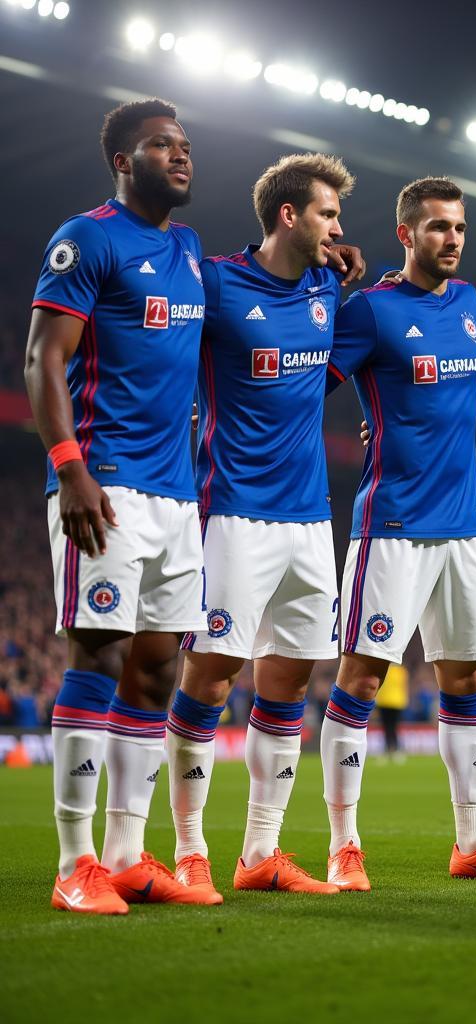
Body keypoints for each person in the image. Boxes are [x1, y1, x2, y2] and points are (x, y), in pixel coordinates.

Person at [321, 178, 476, 883]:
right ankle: (342, 845)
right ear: (406, 235)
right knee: (362, 676)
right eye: (437, 228)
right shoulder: (370, 311)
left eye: (458, 228)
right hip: (390, 525)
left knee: (468, 678)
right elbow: (306, 386)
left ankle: (473, 840)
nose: (451, 239)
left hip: (464, 530)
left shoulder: (470, 308)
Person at [25, 98, 214, 912]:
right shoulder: (88, 238)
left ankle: (131, 855)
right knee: (98, 656)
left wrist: (326, 256)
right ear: (121, 161)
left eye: (184, 145)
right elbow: (41, 357)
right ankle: (76, 865)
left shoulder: (191, 248)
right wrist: (69, 469)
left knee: (154, 669)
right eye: (160, 145)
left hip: (179, 497)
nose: (180, 156)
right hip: (105, 487)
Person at [164, 153, 367, 899]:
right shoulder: (215, 283)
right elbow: (164, 353)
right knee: (210, 675)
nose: (338, 229)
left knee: (288, 684)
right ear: (288, 215)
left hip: (312, 520)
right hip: (233, 514)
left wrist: (340, 261)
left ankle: (261, 853)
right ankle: (189, 850)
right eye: (327, 215)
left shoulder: (325, 284)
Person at [376, 662, 409, 761]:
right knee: (393, 727)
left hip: (386, 702)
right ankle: (394, 751)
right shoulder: (401, 671)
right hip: (394, 702)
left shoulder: (382, 668)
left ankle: (391, 750)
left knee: (388, 727)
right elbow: (405, 687)